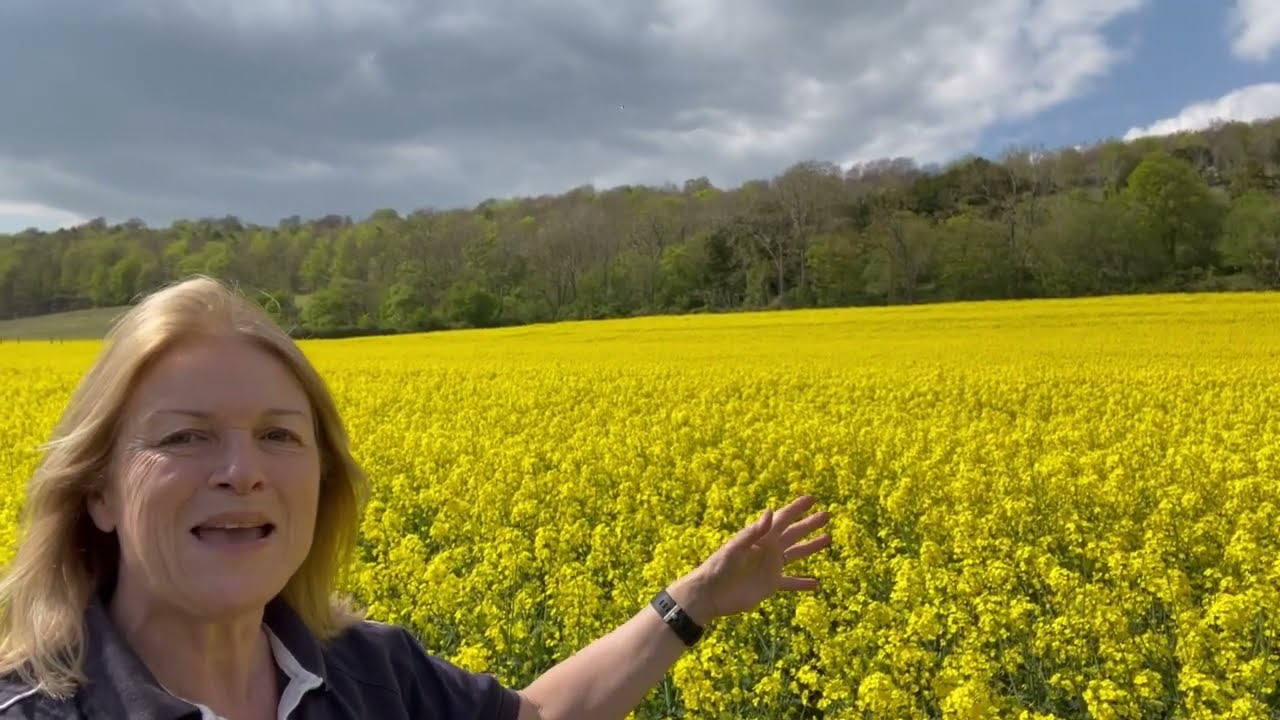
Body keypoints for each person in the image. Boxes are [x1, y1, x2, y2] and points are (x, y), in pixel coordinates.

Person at [0, 276, 833, 719]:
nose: (242, 469)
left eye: (281, 436)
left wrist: (687, 606)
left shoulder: (365, 672)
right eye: (186, 436)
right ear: (98, 491)